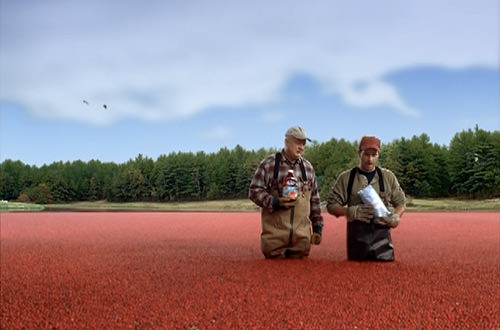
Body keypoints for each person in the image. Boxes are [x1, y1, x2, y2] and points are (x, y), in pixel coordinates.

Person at [326, 136, 406, 261]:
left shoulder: (388, 177)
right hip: (357, 246)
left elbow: (401, 202)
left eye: (374, 155)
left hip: (383, 248)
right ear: (359, 153)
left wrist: (396, 216)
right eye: (366, 154)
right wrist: (349, 211)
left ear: (379, 155)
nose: (370, 159)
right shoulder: (346, 178)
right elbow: (331, 205)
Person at [249, 126, 324, 258]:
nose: (301, 147)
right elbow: (254, 191)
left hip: (301, 243)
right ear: (287, 142)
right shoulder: (269, 165)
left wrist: (318, 227)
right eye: (298, 142)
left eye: (304, 143)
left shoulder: (308, 168)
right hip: (274, 242)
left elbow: (315, 200)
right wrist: (274, 202)